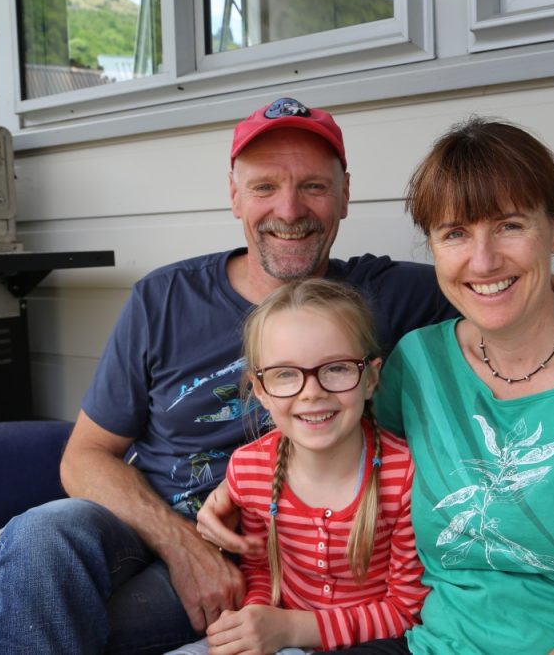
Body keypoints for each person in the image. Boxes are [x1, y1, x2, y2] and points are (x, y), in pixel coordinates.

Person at [0, 98, 554, 654]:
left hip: (265, 569)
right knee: (42, 532)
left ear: (344, 194)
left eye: (313, 184)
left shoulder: (388, 293)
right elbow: (85, 457)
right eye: (264, 186)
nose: (290, 208)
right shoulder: (163, 298)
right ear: (234, 196)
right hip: (149, 532)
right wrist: (183, 548)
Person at [199, 117, 554, 654]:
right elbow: (334, 440)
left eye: (509, 224)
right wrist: (235, 493)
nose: (482, 261)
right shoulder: (418, 362)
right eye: (455, 233)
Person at [166, 278, 426, 655]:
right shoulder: (250, 470)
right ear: (260, 390)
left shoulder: (403, 476)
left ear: (370, 377)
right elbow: (260, 570)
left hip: (371, 645)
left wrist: (291, 629)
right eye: (285, 374)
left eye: (336, 368)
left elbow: (406, 609)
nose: (312, 391)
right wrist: (256, 617)